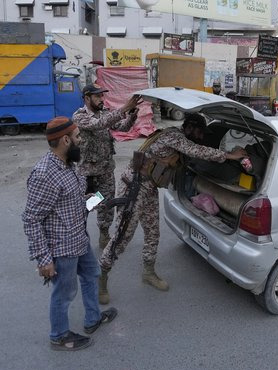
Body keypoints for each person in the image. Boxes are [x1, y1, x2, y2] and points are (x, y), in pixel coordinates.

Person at [97, 113, 247, 304]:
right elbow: (197, 151)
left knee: (153, 232)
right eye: (200, 132)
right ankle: (102, 277)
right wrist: (229, 155)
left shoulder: (180, 139)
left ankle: (149, 273)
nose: (201, 137)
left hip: (149, 186)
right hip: (134, 186)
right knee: (123, 236)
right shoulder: (174, 136)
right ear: (191, 127)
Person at [22, 117, 117, 351]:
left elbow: (69, 203)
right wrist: (44, 259)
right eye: (78, 137)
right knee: (64, 293)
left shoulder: (69, 165)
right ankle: (59, 336)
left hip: (79, 239)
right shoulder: (45, 174)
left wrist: (93, 201)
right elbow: (32, 218)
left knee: (92, 275)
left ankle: (92, 319)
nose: (81, 141)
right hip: (61, 247)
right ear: (65, 140)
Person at [72, 84, 141, 250]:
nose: (101, 99)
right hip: (87, 172)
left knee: (106, 203)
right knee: (84, 206)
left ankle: (104, 233)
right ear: (87, 98)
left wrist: (131, 116)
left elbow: (121, 127)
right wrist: (124, 107)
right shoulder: (79, 116)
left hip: (106, 170)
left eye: (102, 96)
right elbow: (99, 124)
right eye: (97, 96)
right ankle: (75, 236)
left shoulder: (105, 112)